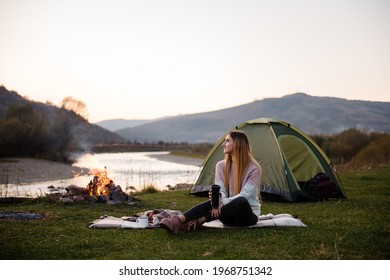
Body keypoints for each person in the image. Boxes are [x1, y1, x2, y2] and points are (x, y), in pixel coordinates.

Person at [160, 130, 262, 234]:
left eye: (227, 141)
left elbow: (245, 195)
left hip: (246, 218)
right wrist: (217, 199)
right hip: (226, 217)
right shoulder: (221, 166)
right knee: (215, 201)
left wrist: (221, 202)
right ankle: (177, 220)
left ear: (237, 144)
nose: (223, 144)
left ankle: (199, 221)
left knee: (241, 201)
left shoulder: (253, 168)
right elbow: (221, 190)